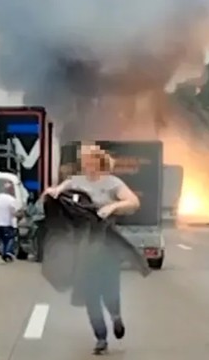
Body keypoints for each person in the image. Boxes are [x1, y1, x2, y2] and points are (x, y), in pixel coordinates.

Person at [42, 143, 140, 355]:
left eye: (88, 159)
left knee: (109, 289)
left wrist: (112, 206)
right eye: (82, 160)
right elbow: (58, 191)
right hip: (83, 245)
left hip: (106, 243)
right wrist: (53, 192)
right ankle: (101, 337)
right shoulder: (75, 182)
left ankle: (116, 317)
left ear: (98, 161)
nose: (85, 164)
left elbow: (133, 202)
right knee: (90, 293)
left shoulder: (113, 183)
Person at [0, 181, 21, 262]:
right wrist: (20, 215)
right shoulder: (11, 199)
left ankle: (3, 251)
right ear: (10, 190)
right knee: (10, 238)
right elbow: (14, 211)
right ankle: (7, 252)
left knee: (2, 238)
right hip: (7, 222)